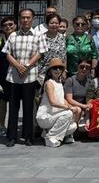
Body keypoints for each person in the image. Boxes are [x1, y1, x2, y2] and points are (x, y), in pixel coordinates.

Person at [2, 8, 47, 147]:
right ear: (20, 19)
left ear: (33, 19)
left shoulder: (39, 35)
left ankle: (28, 136)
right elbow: (7, 53)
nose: (25, 20)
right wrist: (17, 66)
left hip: (30, 76)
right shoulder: (13, 35)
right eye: (23, 17)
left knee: (28, 107)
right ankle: (12, 137)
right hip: (14, 77)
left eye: (28, 17)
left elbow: (40, 53)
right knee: (13, 107)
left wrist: (26, 66)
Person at [36, 58, 79, 147]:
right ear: (50, 71)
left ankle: (49, 133)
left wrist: (72, 107)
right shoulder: (49, 83)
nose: (58, 70)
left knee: (73, 126)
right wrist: (68, 108)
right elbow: (53, 102)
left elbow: (62, 100)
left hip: (55, 115)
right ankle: (51, 137)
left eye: (60, 68)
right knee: (68, 114)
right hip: (46, 116)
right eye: (55, 68)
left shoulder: (59, 83)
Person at [37, 13, 67, 86]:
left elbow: (64, 56)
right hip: (42, 72)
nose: (54, 25)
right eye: (51, 23)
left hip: (58, 71)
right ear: (47, 24)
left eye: (56, 23)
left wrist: (64, 71)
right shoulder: (41, 37)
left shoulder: (62, 38)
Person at [0, 16, 16, 136]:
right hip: (2, 78)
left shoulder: (21, 39)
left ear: (15, 25)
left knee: (15, 104)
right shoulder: (0, 41)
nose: (8, 27)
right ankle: (1, 126)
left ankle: (14, 128)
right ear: (2, 28)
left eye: (11, 24)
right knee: (1, 103)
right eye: (5, 25)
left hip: (18, 77)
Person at [64, 58, 92, 126]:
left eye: (87, 67)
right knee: (78, 110)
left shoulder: (89, 81)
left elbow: (89, 98)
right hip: (70, 106)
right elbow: (69, 99)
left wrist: (86, 107)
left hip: (83, 108)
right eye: (82, 66)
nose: (84, 69)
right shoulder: (70, 80)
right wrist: (83, 106)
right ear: (78, 66)